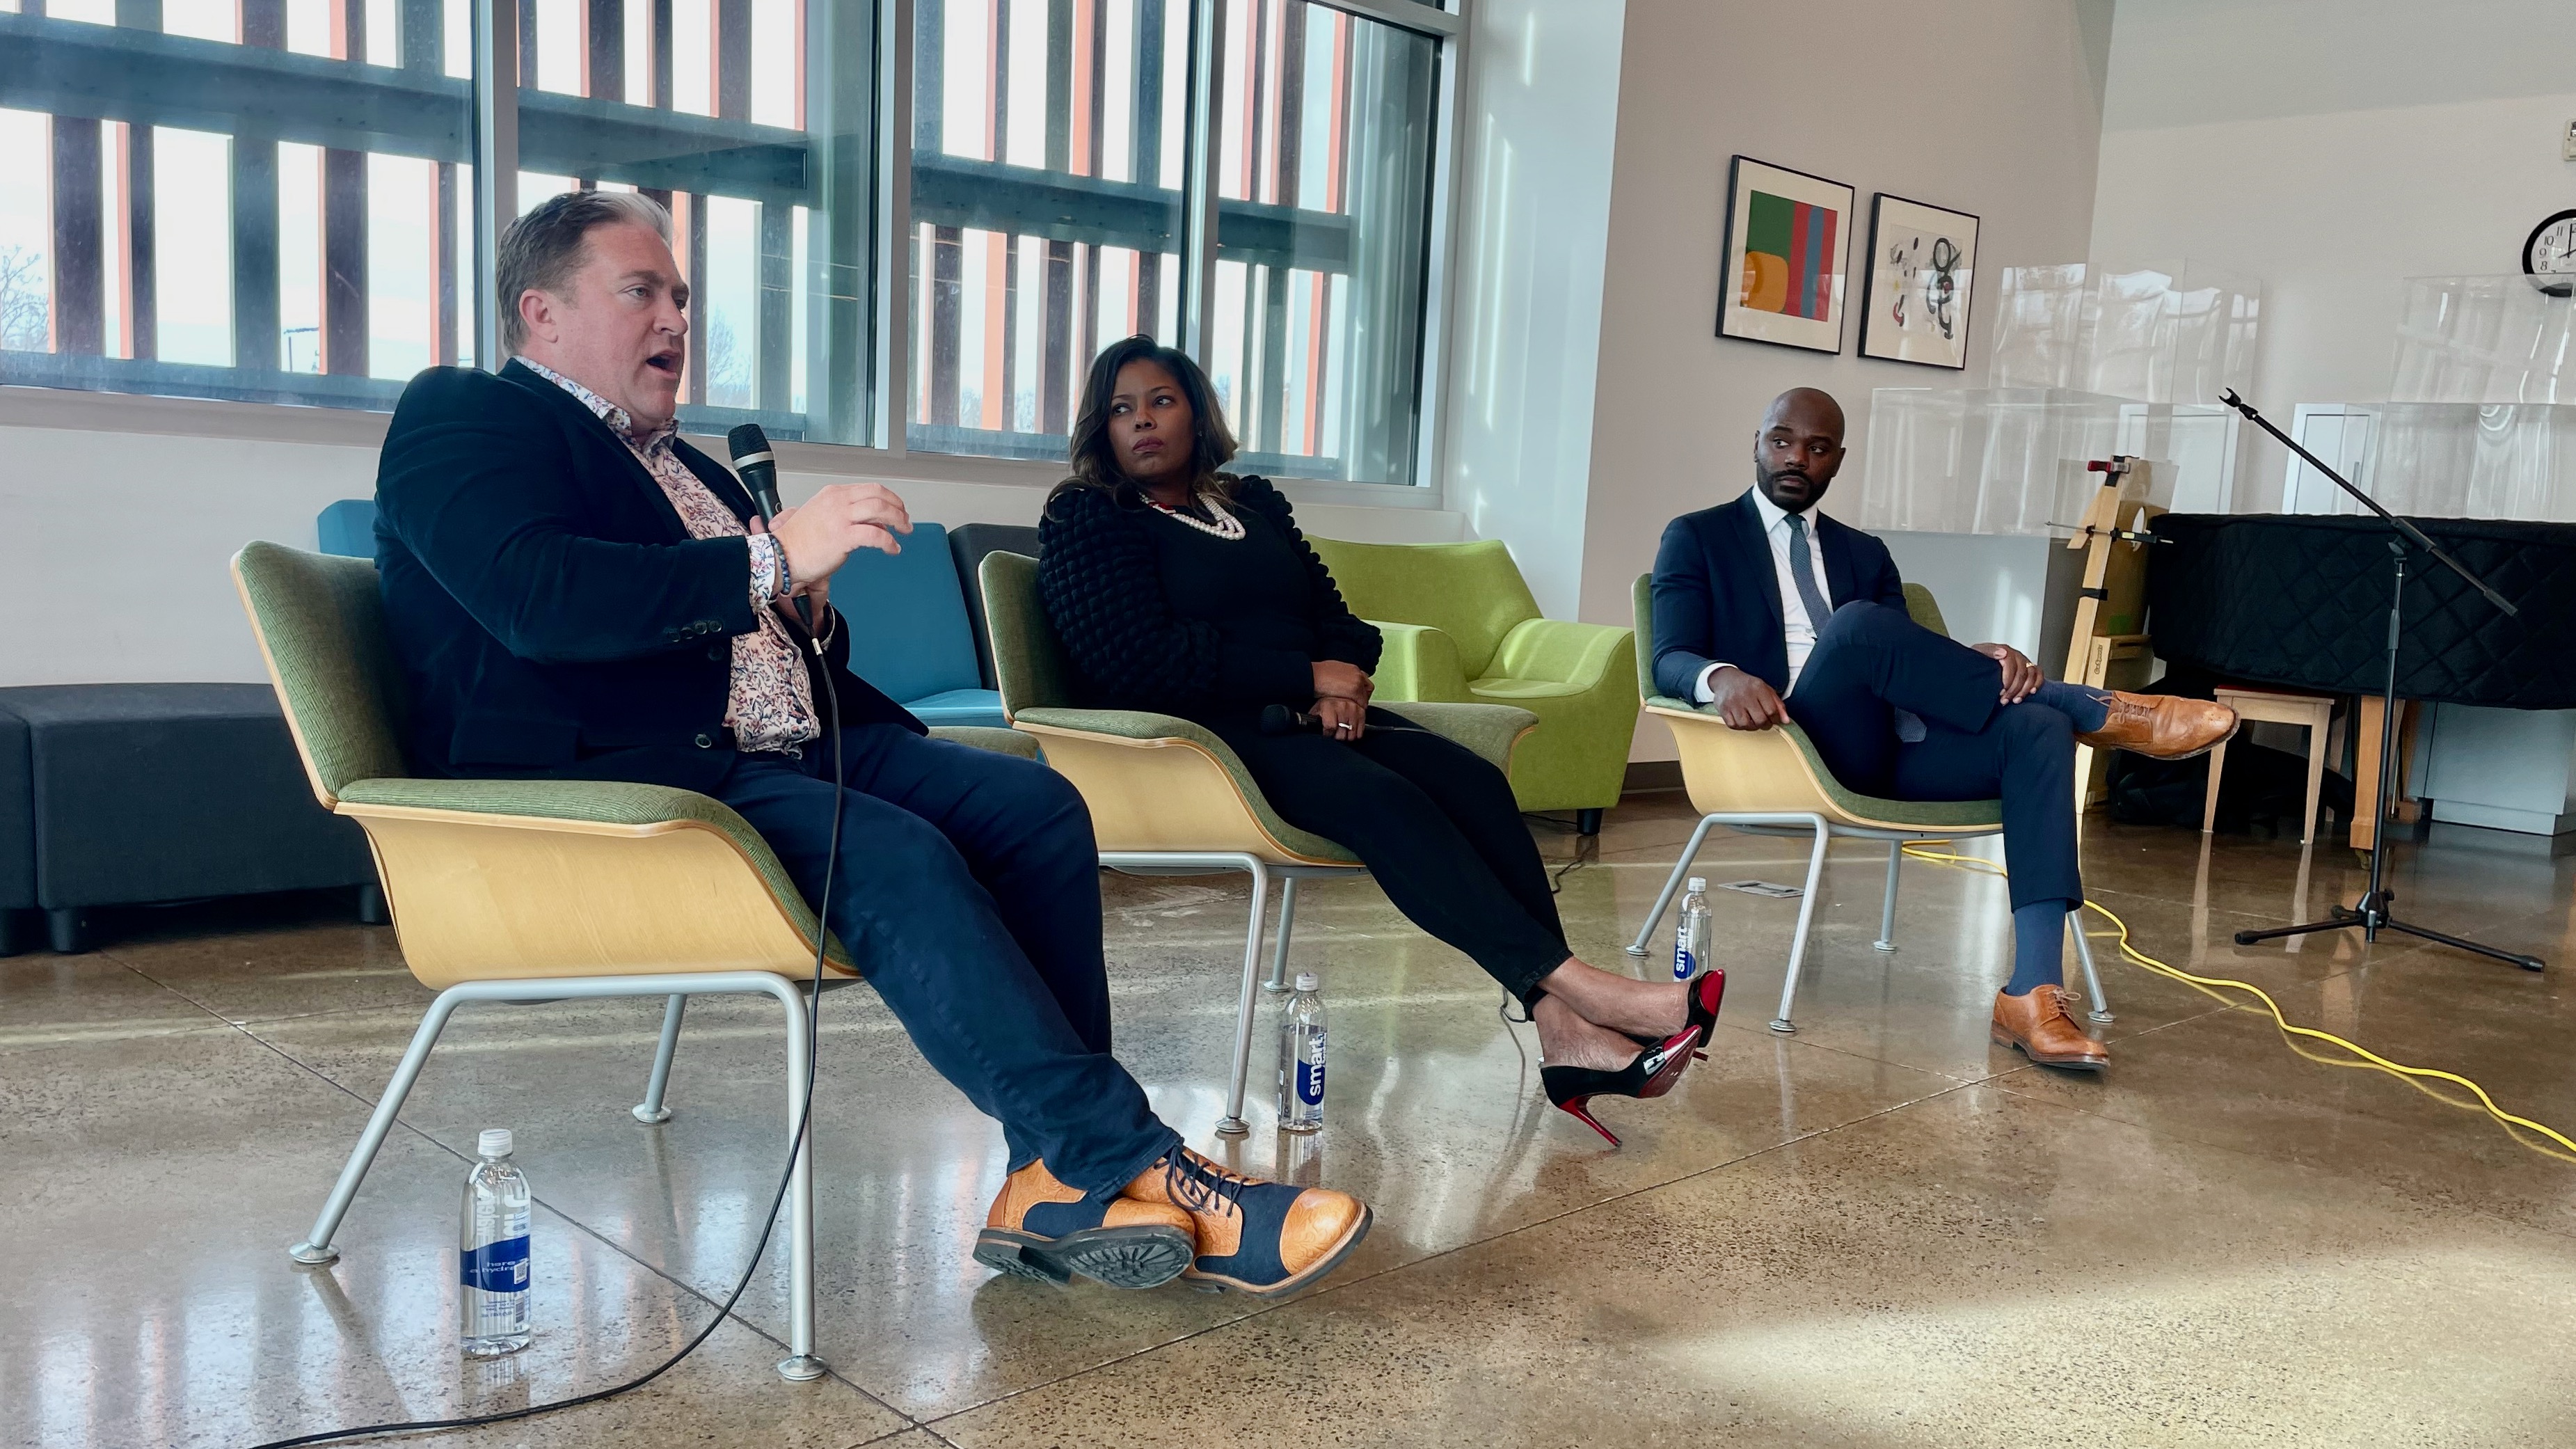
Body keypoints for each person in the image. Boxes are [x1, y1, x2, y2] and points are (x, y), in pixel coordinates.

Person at [372, 191, 1369, 1299]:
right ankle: (1122, 1158)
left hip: (788, 747)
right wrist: (768, 561)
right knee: (893, 851)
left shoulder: (690, 468)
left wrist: (807, 611)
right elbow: (537, 598)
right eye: (641, 291)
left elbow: (764, 634)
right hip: (624, 776)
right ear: (541, 313)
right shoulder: (464, 413)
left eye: (682, 296)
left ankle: (1047, 1174)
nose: (677, 319)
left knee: (1036, 806)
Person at [1036, 335, 1715, 1148]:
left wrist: (1341, 683)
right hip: (1201, 743)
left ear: (1196, 413)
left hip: (1304, 715)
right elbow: (1132, 660)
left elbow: (1337, 618)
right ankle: (1586, 997)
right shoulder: (1089, 516)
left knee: (1472, 781)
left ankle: (1566, 1033)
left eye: (1161, 401)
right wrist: (1303, 674)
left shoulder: (1252, 506)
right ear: (1102, 428)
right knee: (1386, 801)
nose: (1142, 421)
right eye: (1121, 409)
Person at [1651, 387, 2236, 1072]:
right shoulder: (1698, 536)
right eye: (1782, 440)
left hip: (1885, 745)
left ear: (1838, 459)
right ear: (1756, 443)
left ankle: (2032, 994)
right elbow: (1668, 656)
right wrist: (1722, 677)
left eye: (1817, 447)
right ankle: (2095, 707)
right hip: (1790, 744)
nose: (1797, 458)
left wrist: (1975, 657)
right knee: (1856, 626)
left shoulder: (1864, 553)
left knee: (2038, 728)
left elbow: (1905, 662)